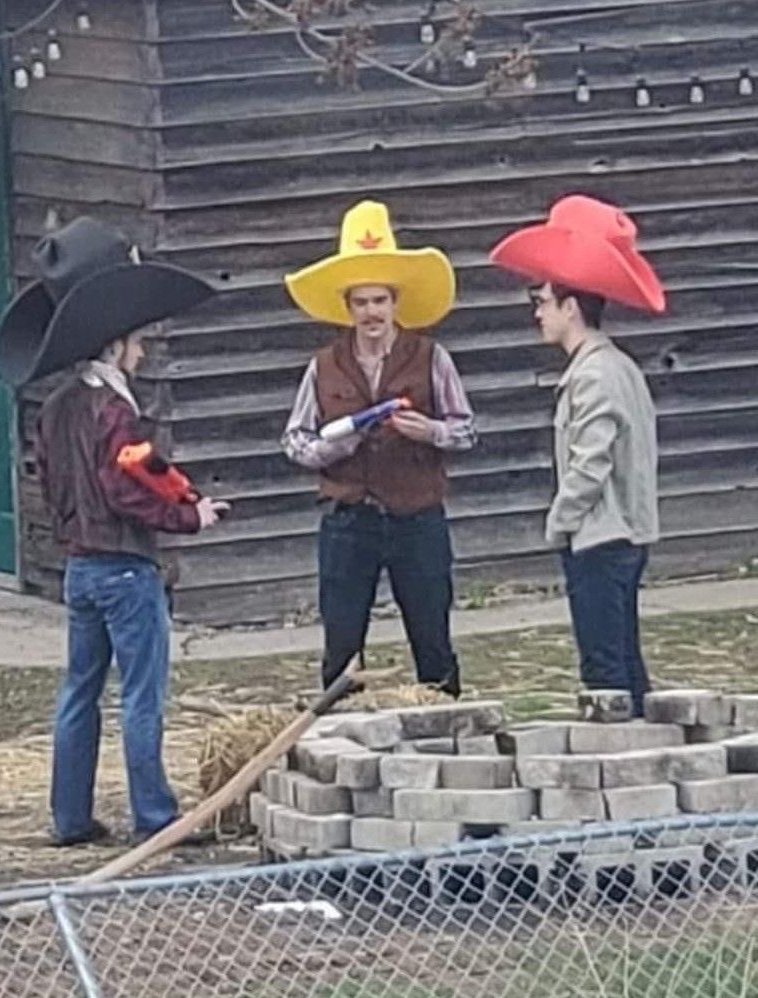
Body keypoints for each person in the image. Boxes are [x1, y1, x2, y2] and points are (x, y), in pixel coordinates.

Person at [0, 216, 230, 846]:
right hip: (125, 567)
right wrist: (190, 515)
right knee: (141, 695)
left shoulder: (56, 408)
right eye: (137, 342)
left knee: (79, 692)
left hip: (80, 567)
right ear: (118, 344)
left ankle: (70, 816)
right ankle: (155, 815)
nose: (144, 352)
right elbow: (128, 483)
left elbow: (55, 481)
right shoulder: (115, 411)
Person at [281, 199, 476, 696]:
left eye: (380, 300)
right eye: (362, 302)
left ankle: (446, 734)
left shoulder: (432, 357)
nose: (371, 312)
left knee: (432, 639)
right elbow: (296, 441)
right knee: (342, 646)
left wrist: (428, 431)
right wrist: (334, 448)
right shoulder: (323, 365)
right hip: (349, 521)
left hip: (418, 518)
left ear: (395, 303)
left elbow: (466, 429)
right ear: (347, 307)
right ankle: (341, 743)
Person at [489, 195, 666, 717]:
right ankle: (644, 743)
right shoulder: (618, 367)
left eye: (543, 300)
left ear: (571, 307)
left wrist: (559, 521)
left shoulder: (594, 374)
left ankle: (620, 757)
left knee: (604, 668)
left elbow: (592, 463)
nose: (537, 312)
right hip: (622, 533)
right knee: (625, 660)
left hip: (601, 536)